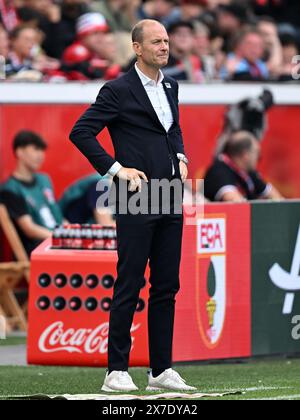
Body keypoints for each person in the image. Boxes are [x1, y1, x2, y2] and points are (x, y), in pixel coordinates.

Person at [70, 19, 195, 393]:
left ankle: (160, 369)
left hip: (169, 193)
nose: (164, 46)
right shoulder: (117, 90)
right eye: (156, 41)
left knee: (166, 285)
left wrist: (181, 154)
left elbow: (172, 127)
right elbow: (81, 132)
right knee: (130, 281)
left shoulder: (170, 85)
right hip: (135, 195)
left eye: (166, 40)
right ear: (137, 48)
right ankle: (116, 370)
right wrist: (115, 170)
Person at [0, 131, 63, 256]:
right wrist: (63, 239)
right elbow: (29, 229)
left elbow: (57, 215)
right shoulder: (10, 189)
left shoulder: (44, 180)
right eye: (36, 149)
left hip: (58, 243)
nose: (41, 155)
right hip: (38, 250)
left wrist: (74, 233)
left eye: (42, 150)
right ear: (20, 152)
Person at [204, 131, 283, 202]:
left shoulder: (248, 172)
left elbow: (276, 197)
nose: (259, 158)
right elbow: (235, 201)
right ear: (245, 155)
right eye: (257, 153)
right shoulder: (219, 171)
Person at [61, 12, 121, 80]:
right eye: (95, 33)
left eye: (103, 32)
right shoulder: (78, 51)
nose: (100, 37)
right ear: (83, 36)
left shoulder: (95, 52)